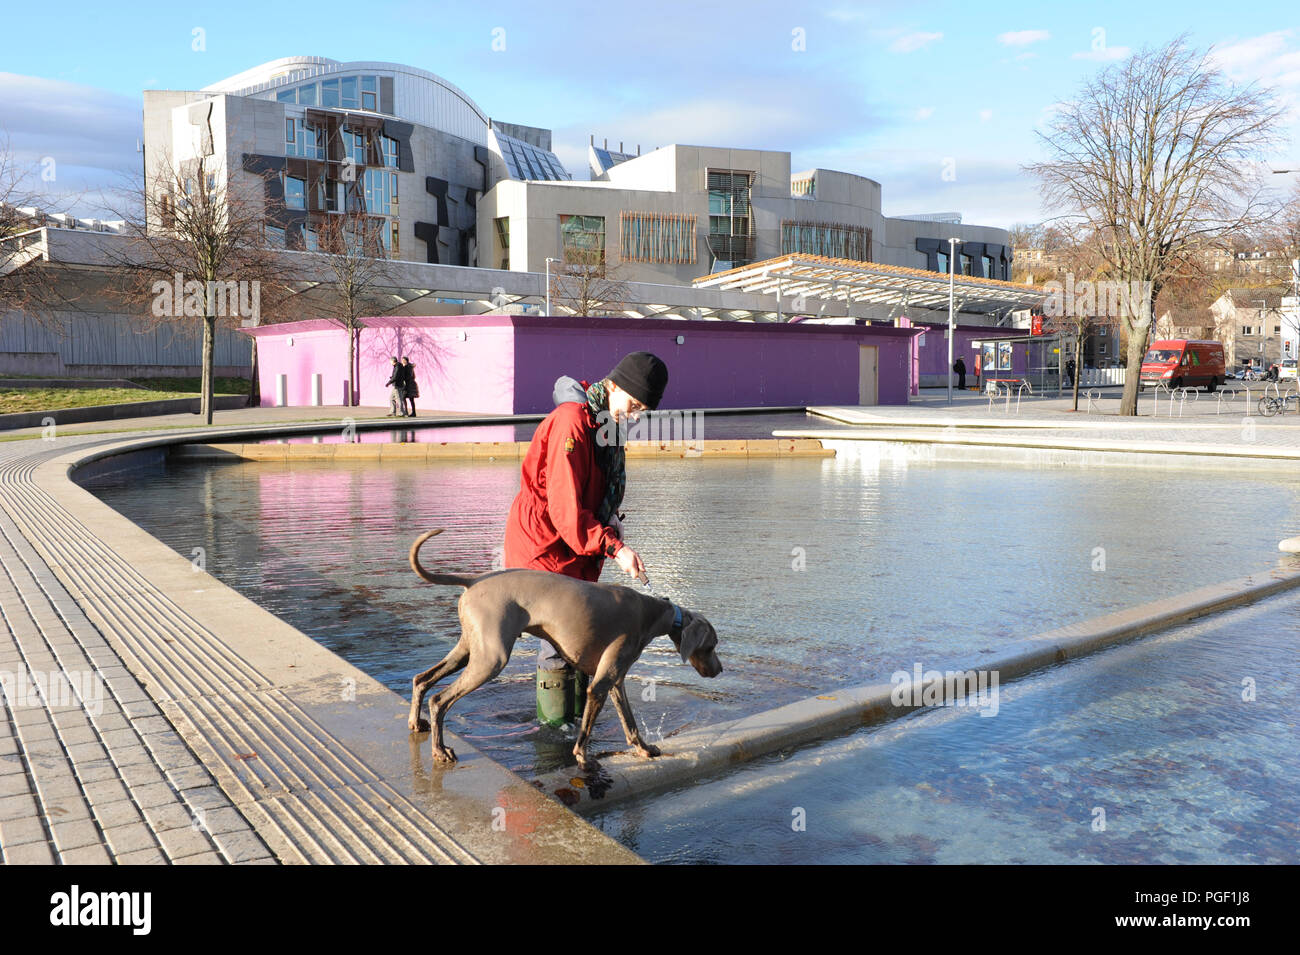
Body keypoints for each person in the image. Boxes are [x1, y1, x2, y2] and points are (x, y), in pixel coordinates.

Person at [503, 351, 669, 727]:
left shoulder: (604, 422)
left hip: (573, 548)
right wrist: (615, 547)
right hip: (544, 548)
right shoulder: (572, 425)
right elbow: (565, 510)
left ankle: (574, 728)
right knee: (559, 642)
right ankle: (553, 740)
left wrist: (609, 519)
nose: (636, 414)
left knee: (580, 635)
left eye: (643, 409)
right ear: (613, 385)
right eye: (633, 403)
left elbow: (588, 495)